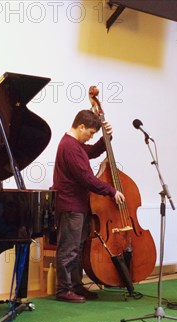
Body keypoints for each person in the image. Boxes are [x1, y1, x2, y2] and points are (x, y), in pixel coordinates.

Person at [52, 110, 125, 303]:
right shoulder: (69, 146)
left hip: (78, 205)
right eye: (91, 133)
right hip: (70, 206)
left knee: (77, 248)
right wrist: (111, 191)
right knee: (69, 250)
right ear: (81, 126)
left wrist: (106, 137)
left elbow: (92, 152)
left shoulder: (76, 145)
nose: (91, 136)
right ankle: (63, 290)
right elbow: (86, 178)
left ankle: (75, 286)